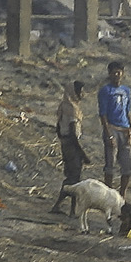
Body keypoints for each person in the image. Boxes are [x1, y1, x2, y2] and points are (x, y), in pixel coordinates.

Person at [50, 81, 88, 213]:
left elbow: (58, 129)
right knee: (74, 178)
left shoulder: (63, 106)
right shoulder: (72, 109)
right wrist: (82, 153)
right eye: (81, 91)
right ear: (74, 92)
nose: (83, 94)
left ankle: (71, 209)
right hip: (72, 146)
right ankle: (59, 206)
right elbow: (73, 133)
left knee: (72, 177)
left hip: (65, 145)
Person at [97, 61, 131, 188]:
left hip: (125, 129)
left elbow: (128, 112)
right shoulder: (105, 91)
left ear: (123, 74)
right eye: (114, 72)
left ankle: (123, 194)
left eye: (119, 72)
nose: (117, 75)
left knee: (128, 166)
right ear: (110, 74)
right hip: (112, 129)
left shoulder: (126, 91)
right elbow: (103, 114)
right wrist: (109, 135)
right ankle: (108, 192)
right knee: (110, 166)